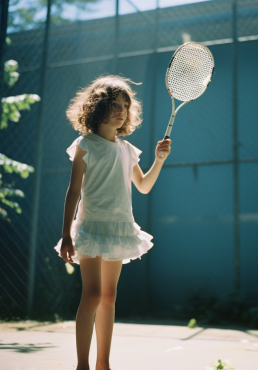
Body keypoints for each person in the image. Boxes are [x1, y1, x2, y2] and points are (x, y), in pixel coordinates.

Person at [53, 75, 171, 370]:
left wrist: (159, 160)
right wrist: (67, 234)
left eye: (125, 106)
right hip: (91, 228)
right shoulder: (86, 144)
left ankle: (102, 364)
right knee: (92, 294)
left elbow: (143, 186)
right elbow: (74, 191)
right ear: (97, 107)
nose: (121, 111)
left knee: (108, 295)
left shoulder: (127, 149)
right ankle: (82, 365)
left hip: (120, 229)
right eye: (115, 104)